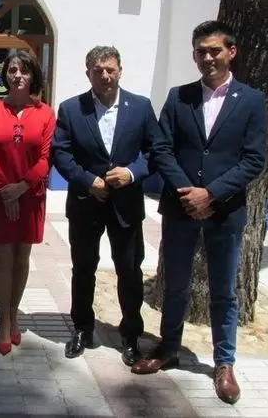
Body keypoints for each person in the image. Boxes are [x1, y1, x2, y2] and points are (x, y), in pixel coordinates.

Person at [132, 21, 266, 405]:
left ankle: (224, 363)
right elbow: (162, 148)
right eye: (200, 51)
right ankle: (168, 347)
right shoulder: (180, 97)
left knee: (224, 290)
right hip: (181, 207)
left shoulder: (251, 100)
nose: (207, 57)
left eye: (214, 50)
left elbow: (254, 159)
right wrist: (188, 193)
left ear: (231, 52)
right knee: (175, 283)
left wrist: (211, 194)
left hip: (225, 211)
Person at [52, 46, 158, 365]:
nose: (105, 76)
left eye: (110, 69)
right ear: (88, 74)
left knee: (129, 270)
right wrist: (88, 181)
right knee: (83, 269)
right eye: (98, 71)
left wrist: (132, 173)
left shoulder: (140, 107)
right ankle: (82, 329)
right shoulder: (72, 109)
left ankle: (130, 336)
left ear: (120, 70)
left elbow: (155, 150)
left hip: (126, 205)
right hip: (86, 203)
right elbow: (61, 152)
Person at [0, 49, 55, 355]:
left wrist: (21, 188)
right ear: (4, 75)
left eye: (24, 70)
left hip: (30, 195)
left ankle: (14, 314)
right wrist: (5, 189)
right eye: (12, 70)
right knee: (3, 258)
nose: (18, 76)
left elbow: (46, 157)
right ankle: (3, 321)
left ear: (33, 75)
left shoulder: (46, 113)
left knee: (22, 257)